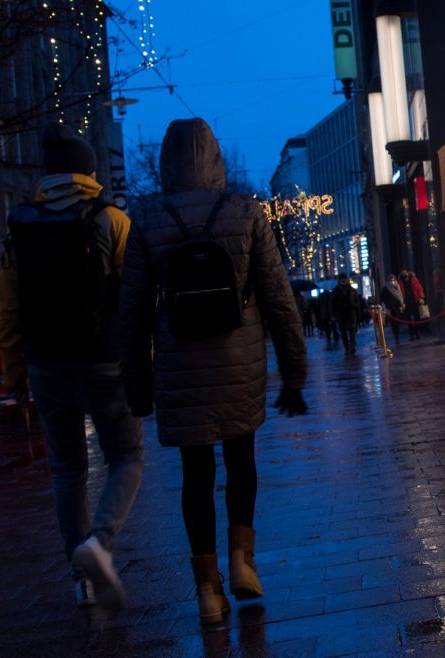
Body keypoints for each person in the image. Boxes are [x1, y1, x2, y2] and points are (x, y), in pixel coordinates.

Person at [120, 118, 308, 626]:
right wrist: (294, 375)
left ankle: (207, 589)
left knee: (196, 475)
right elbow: (278, 300)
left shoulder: (147, 220)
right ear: (219, 160)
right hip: (238, 358)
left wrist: (138, 391)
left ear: (164, 163)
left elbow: (132, 315)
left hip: (179, 366)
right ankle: (243, 560)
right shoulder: (246, 213)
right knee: (241, 458)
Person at [0, 122, 145, 610]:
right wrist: (142, 363)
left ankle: (79, 580)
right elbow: (133, 301)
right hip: (103, 361)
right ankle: (98, 544)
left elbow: (9, 312)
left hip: (45, 365)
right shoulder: (111, 221)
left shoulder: (20, 225)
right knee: (126, 457)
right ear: (88, 171)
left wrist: (17, 374)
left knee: (67, 472)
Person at [331, 273, 361, 355]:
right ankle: (347, 348)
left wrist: (357, 313)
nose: (343, 281)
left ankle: (353, 346)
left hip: (351, 313)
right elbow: (332, 304)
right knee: (343, 332)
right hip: (340, 314)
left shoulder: (352, 290)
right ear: (339, 280)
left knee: (351, 331)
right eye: (342, 279)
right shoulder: (335, 291)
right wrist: (334, 315)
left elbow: (357, 303)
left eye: (344, 279)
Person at [399, 270, 425, 340]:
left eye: (405, 272)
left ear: (407, 272)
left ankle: (417, 333)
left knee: (417, 318)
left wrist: (421, 297)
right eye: (402, 272)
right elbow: (400, 294)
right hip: (406, 303)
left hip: (415, 301)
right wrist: (402, 303)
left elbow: (419, 288)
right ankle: (411, 335)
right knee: (408, 319)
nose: (404, 273)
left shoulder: (413, 279)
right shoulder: (400, 282)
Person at [379, 274, 405, 345]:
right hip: (390, 308)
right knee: (394, 324)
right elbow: (382, 298)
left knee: (397, 323)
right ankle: (396, 337)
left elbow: (400, 296)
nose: (392, 281)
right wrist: (388, 303)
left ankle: (397, 336)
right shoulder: (385, 288)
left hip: (397, 307)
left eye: (393, 280)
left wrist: (401, 304)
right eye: (391, 280)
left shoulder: (397, 287)